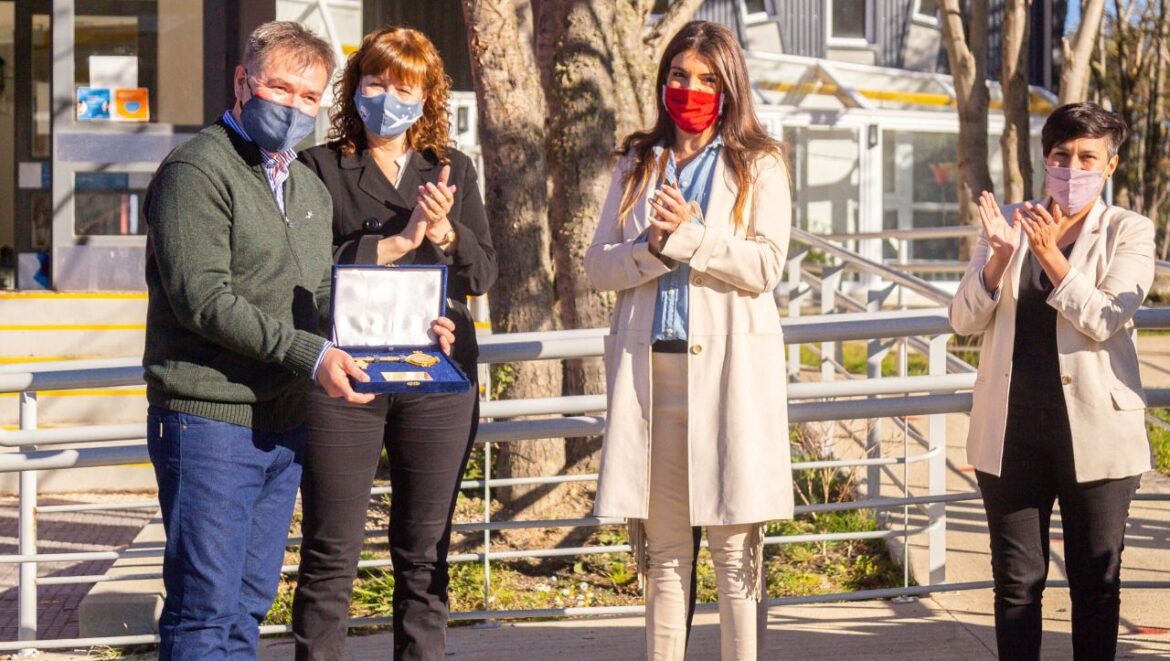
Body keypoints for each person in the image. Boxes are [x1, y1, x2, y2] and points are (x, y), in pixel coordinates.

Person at [143, 21, 454, 659]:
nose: (293, 106)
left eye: (309, 96)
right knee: (204, 611)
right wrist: (311, 355)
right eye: (280, 88)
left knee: (247, 607)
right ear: (242, 82)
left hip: (282, 424)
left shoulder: (304, 187)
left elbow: (319, 296)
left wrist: (405, 330)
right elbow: (204, 300)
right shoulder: (196, 171)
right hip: (210, 419)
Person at [584, 20, 793, 661]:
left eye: (706, 79)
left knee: (735, 556)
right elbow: (597, 267)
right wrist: (650, 247)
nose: (690, 89)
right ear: (663, 80)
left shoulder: (759, 161)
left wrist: (692, 237)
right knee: (666, 556)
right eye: (679, 75)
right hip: (654, 377)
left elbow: (766, 266)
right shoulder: (636, 162)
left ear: (729, 87)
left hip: (729, 376)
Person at [290, 26, 496, 661]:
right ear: (354, 90)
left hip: (436, 376)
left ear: (427, 95)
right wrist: (399, 242)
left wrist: (445, 232)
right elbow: (303, 271)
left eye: (404, 88)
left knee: (425, 552)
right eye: (376, 83)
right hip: (344, 377)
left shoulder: (451, 167)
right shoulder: (317, 167)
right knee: (330, 552)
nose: (388, 99)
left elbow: (482, 275)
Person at [950, 102, 1154, 661]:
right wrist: (998, 259)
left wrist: (1050, 259)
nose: (1072, 168)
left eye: (1088, 157)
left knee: (1095, 584)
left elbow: (1106, 318)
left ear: (1110, 165)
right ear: (1046, 160)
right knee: (1016, 584)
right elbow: (962, 320)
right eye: (1062, 155)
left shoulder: (1129, 230)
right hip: (1011, 433)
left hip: (1097, 432)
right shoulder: (1009, 221)